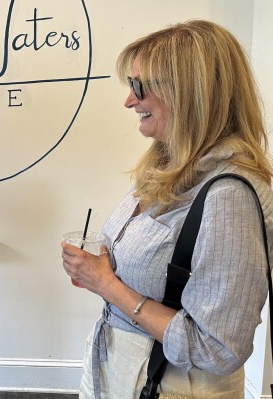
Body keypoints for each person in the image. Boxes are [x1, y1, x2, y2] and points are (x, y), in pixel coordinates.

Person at [61, 19, 273, 398]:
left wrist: (107, 284)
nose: (129, 100)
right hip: (120, 368)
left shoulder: (231, 196)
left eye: (139, 87)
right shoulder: (165, 166)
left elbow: (217, 348)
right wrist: (104, 267)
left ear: (189, 93)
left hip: (169, 384)